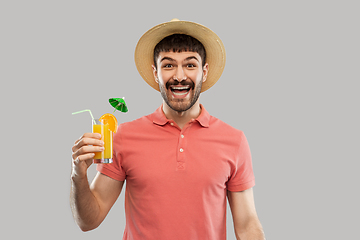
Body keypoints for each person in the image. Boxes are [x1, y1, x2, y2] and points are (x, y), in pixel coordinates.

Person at [71, 19, 265, 240]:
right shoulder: (123, 136)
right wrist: (78, 175)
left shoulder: (234, 141)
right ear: (156, 73)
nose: (179, 76)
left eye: (190, 65)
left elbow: (247, 224)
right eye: (168, 65)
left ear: (204, 71)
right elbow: (88, 221)